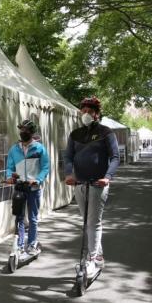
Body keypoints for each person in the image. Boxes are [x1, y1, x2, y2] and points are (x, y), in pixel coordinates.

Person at [64, 96, 120, 275]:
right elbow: (68, 157)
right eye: (84, 111)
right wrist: (68, 174)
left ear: (96, 114)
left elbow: (115, 157)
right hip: (79, 183)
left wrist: (108, 177)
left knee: (93, 222)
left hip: (98, 183)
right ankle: (99, 257)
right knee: (88, 221)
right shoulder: (75, 134)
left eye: (90, 111)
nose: (86, 114)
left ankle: (91, 258)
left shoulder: (106, 132)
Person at [5, 119, 51, 255]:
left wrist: (38, 180)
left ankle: (31, 244)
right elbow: (9, 167)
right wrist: (9, 176)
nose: (22, 132)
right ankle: (19, 245)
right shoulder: (14, 149)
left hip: (33, 188)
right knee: (19, 217)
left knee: (32, 218)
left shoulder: (40, 148)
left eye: (25, 130)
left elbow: (45, 167)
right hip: (19, 186)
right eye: (21, 130)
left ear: (31, 132)